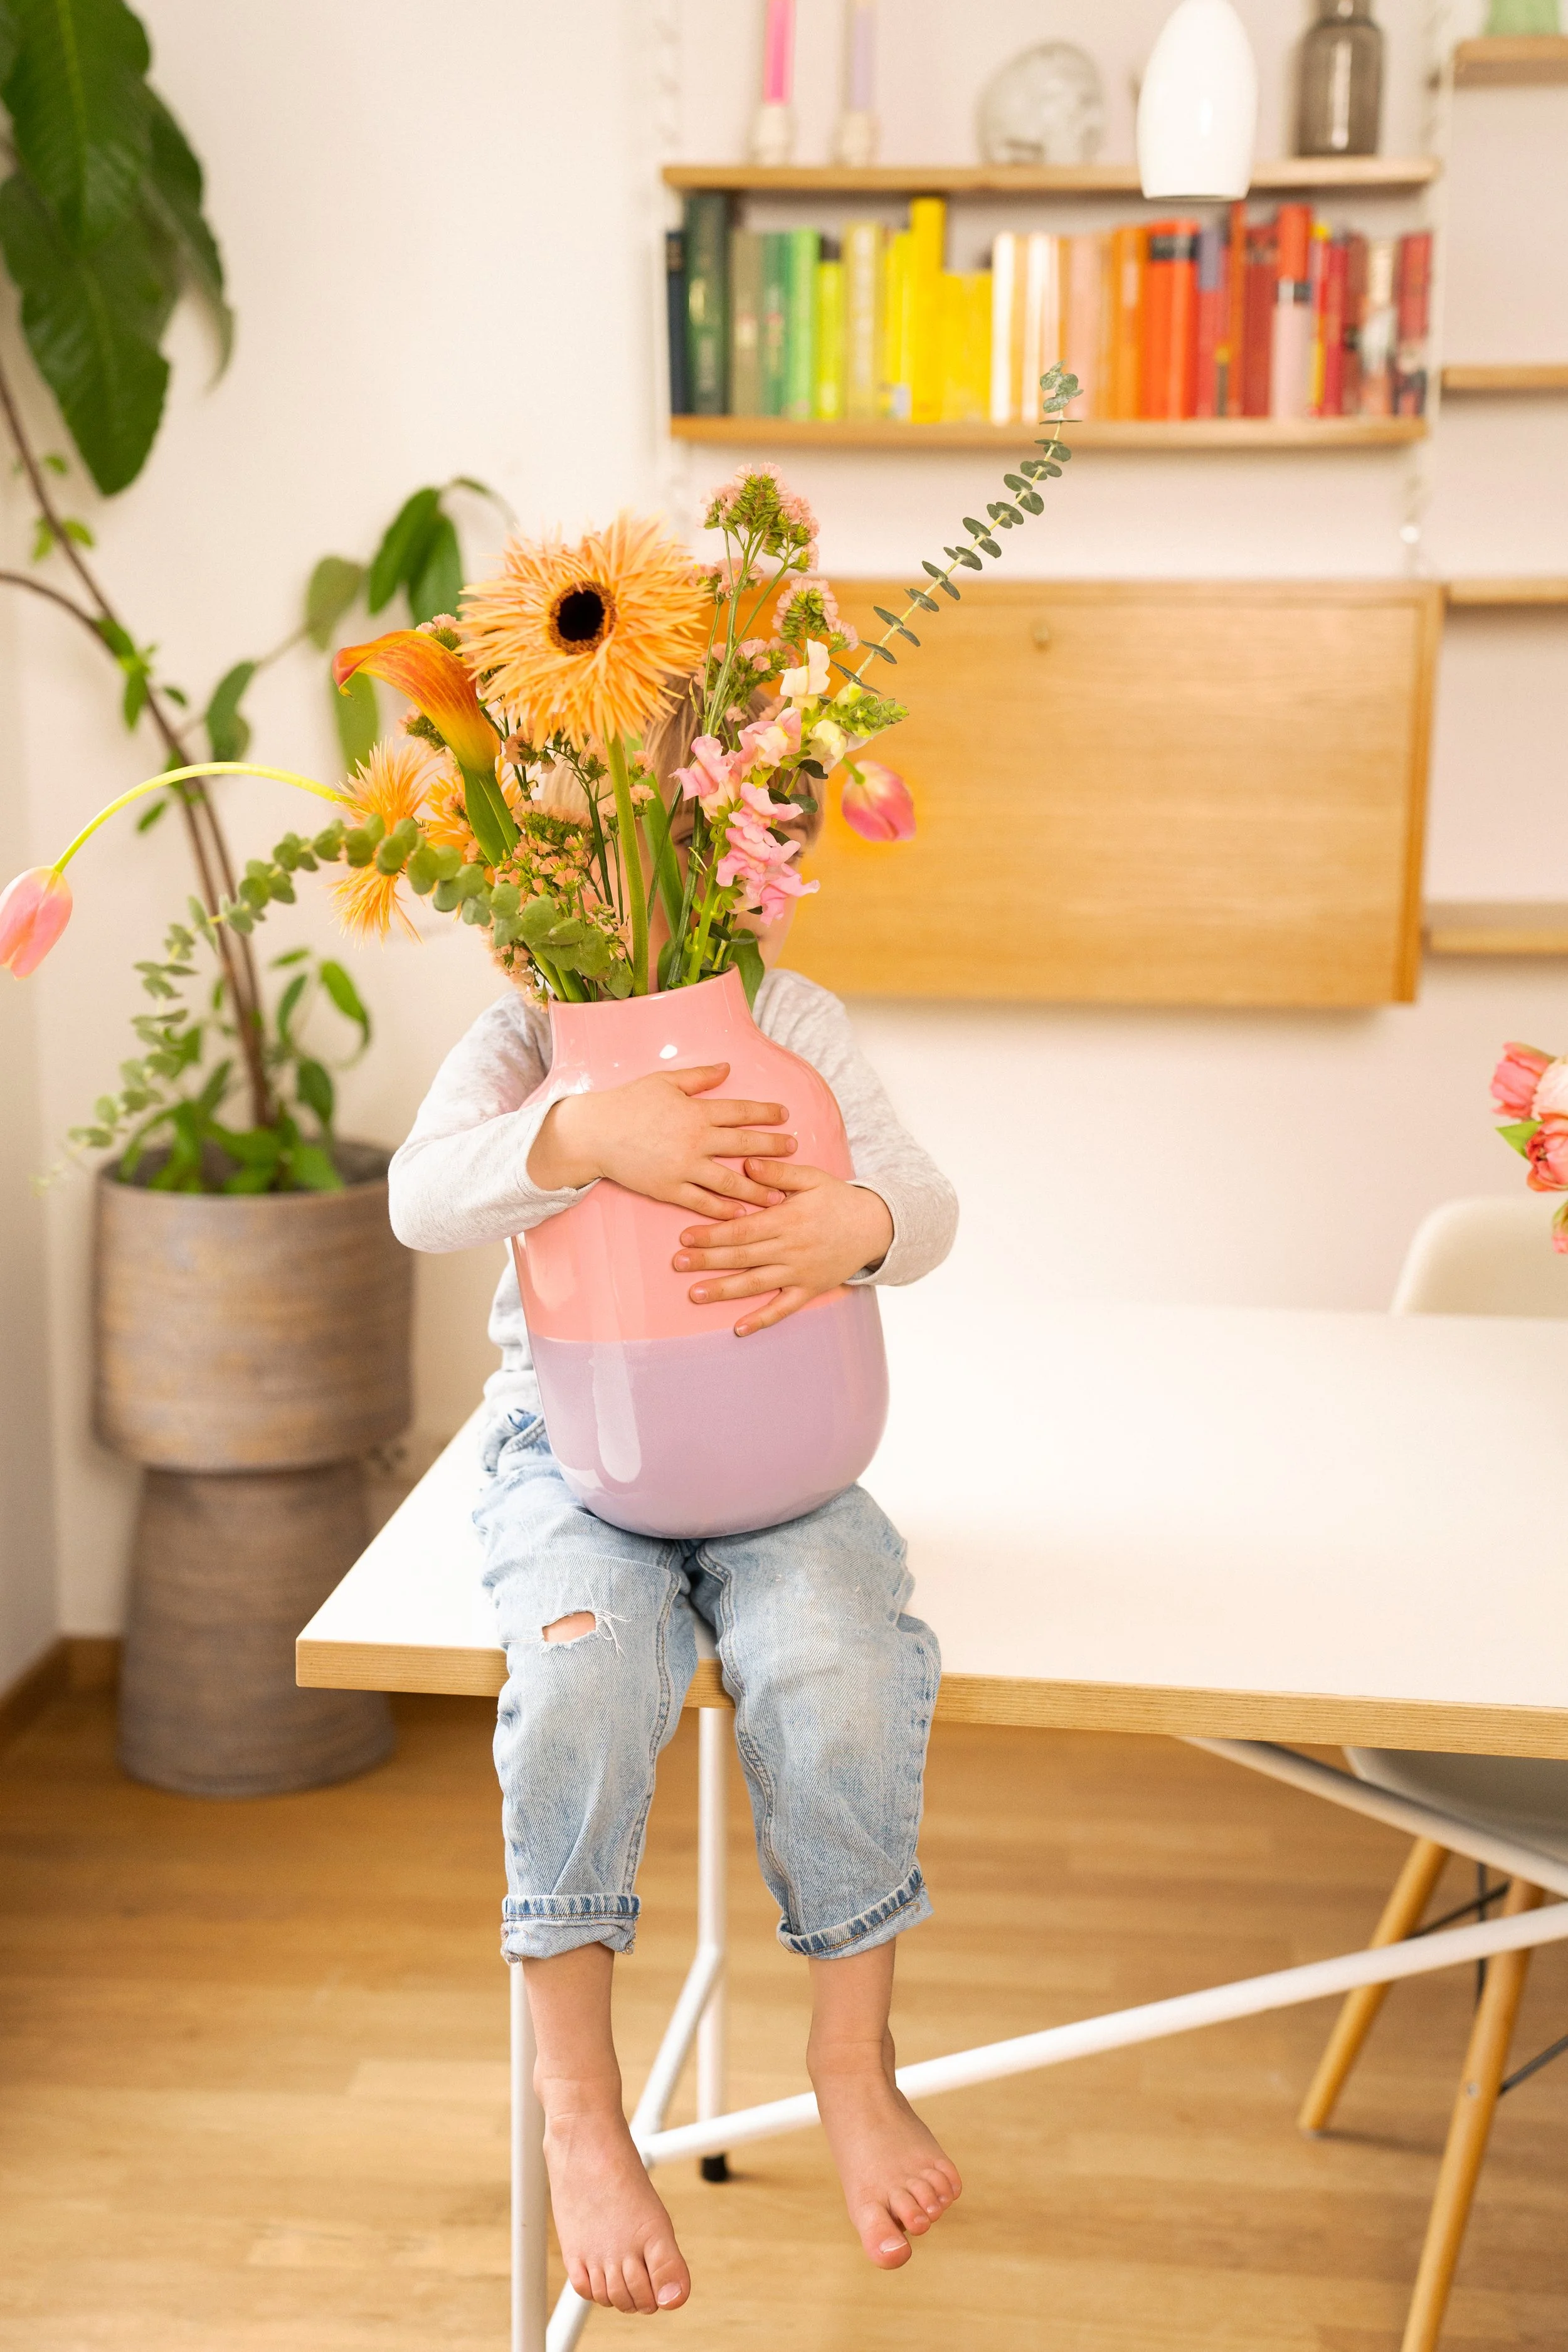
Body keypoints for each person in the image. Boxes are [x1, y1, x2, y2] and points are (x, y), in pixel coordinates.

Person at [388, 693, 960, 2317]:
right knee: (573, 1685)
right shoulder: (515, 1049)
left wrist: (849, 1222)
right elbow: (422, 1194)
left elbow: (925, 1207)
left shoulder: (789, 1010)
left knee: (839, 1671)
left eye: (619, 842)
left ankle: (852, 2056)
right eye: (546, 856)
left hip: (784, 1459)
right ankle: (580, 2106)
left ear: (714, 855)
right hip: (578, 1458)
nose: (584, 887)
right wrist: (577, 1128)